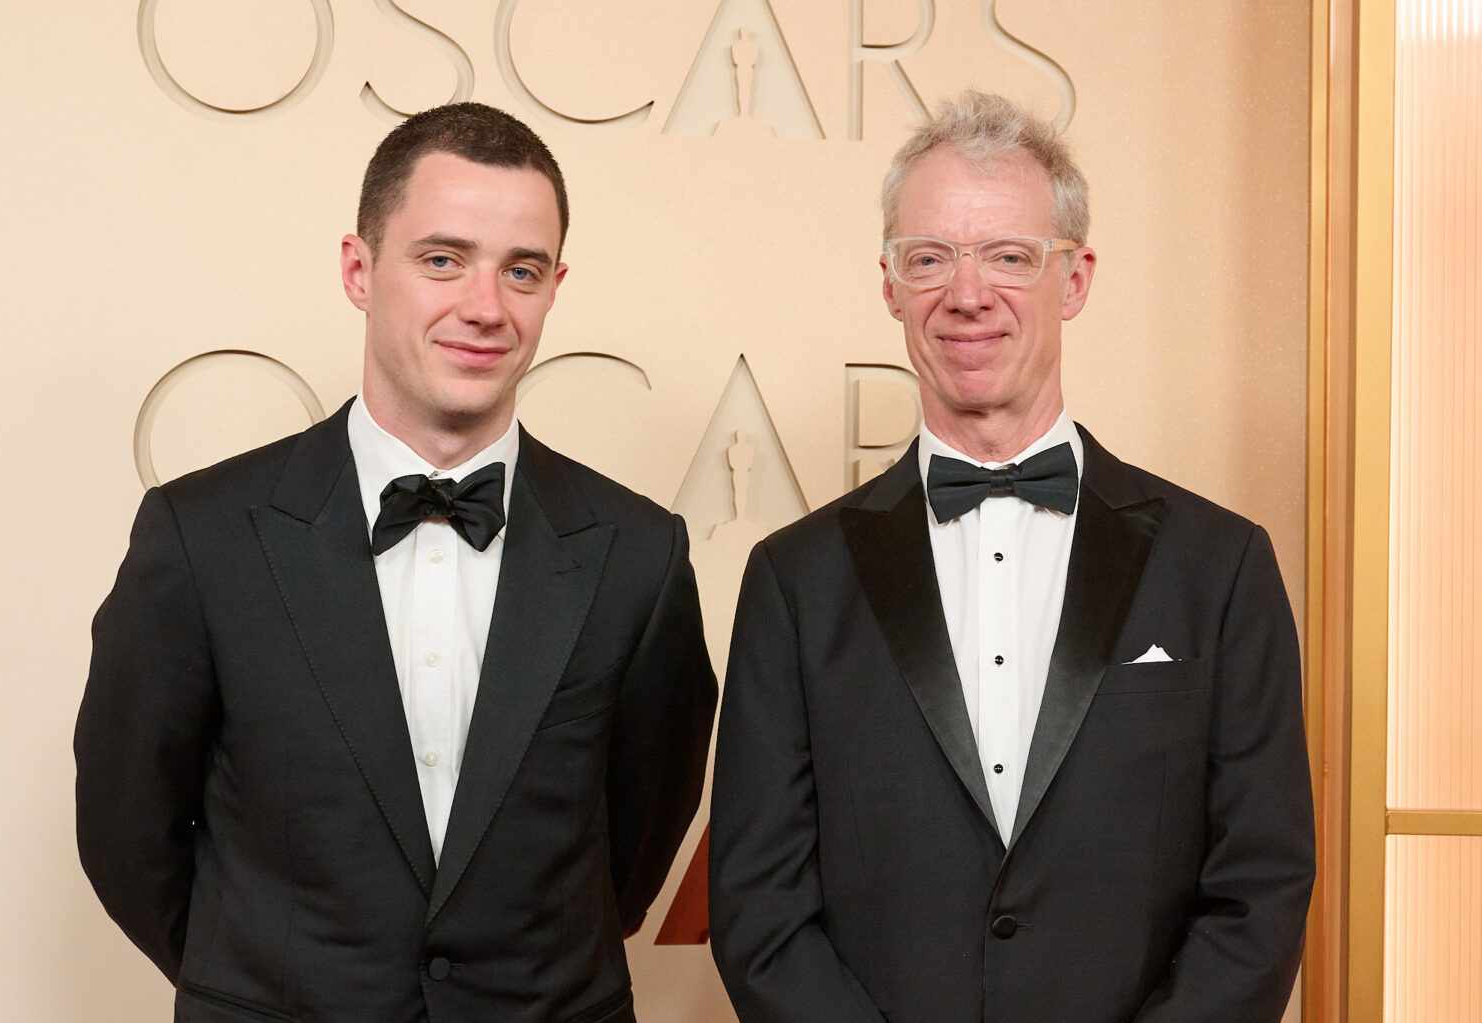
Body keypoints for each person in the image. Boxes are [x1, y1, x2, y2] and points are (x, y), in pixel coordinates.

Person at [76, 102, 717, 1023]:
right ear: (359, 270)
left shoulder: (640, 555)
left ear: (555, 286)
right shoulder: (200, 534)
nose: (485, 307)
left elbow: (634, 849)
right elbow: (126, 832)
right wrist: (263, 980)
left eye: (521, 271)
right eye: (443, 259)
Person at [709, 90, 1315, 1023]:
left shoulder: (1221, 566)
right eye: (930, 259)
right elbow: (759, 910)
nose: (967, 293)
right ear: (889, 285)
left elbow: (1261, 888)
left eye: (1008, 256)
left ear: (1073, 281)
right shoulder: (794, 579)